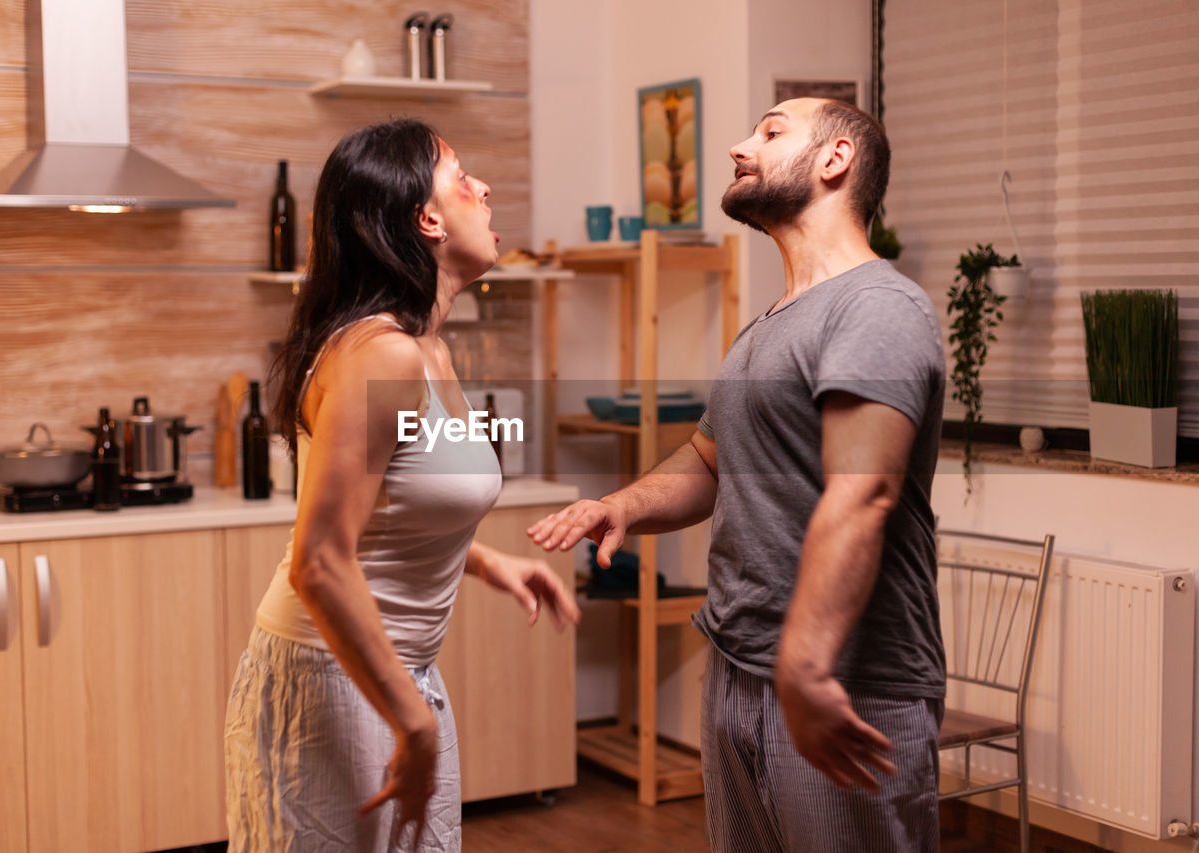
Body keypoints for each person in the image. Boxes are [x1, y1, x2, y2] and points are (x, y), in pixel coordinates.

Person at [528, 98, 946, 852]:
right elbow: (708, 460)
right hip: (743, 668)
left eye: (771, 131)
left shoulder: (878, 307)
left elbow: (865, 490)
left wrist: (806, 665)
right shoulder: (769, 325)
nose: (738, 146)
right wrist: (621, 505)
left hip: (843, 681)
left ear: (836, 159)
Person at [225, 118, 581, 853]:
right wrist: (412, 721)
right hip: (335, 674)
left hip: (395, 672)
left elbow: (396, 500)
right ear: (426, 219)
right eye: (462, 180)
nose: (483, 190)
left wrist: (483, 559)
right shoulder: (381, 357)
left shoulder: (424, 347)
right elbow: (320, 559)